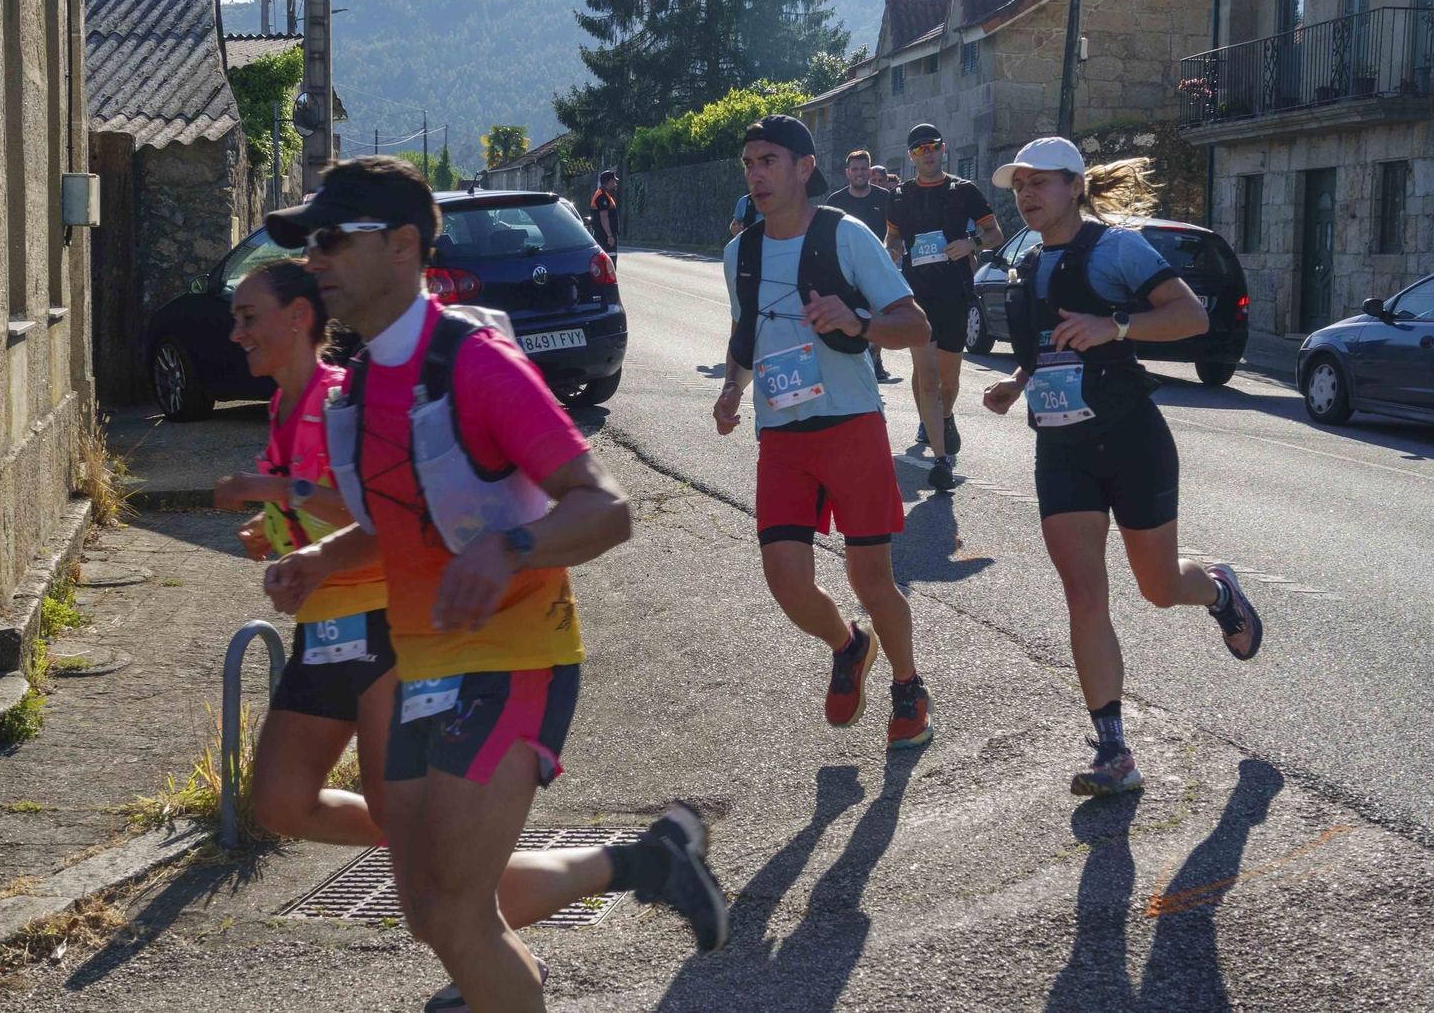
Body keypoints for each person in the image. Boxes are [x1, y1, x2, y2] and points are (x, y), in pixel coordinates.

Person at [261, 157, 727, 1013]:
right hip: (420, 666)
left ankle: (509, 980)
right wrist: (322, 561)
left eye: (331, 241)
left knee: (458, 913)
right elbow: (401, 522)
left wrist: (508, 547)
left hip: (516, 655)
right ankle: (629, 879)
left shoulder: (478, 367)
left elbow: (606, 509)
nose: (314, 260)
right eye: (308, 244)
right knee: (428, 909)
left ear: (403, 246)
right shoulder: (360, 385)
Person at [981, 138, 1264, 796]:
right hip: (1061, 448)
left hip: (1130, 437)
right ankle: (1114, 751)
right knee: (1084, 594)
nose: (1025, 196)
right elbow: (1054, 343)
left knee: (1159, 587)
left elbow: (1190, 316)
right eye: (1018, 185)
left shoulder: (1116, 249)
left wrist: (1117, 326)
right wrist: (1016, 384)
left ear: (1074, 186)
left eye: (1039, 183)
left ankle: (1219, 591)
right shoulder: (1027, 262)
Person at [711, 116, 935, 751]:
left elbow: (914, 326)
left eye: (770, 161)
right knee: (785, 580)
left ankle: (907, 685)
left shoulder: (847, 235)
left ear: (805, 168)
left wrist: (860, 322)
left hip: (850, 426)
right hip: (780, 433)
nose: (756, 174)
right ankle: (849, 644)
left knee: (872, 579)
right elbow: (743, 336)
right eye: (750, 163)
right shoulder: (740, 253)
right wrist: (732, 388)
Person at [213, 258, 396, 849]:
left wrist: (273, 490)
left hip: (384, 624)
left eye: (248, 317)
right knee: (280, 803)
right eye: (235, 318)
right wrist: (271, 528)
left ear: (297, 318)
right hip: (320, 631)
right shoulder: (279, 407)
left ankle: (457, 861)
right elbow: (311, 504)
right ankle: (440, 846)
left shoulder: (341, 401)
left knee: (399, 809)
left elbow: (381, 516)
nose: (236, 333)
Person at [883, 123, 1004, 490]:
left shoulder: (963, 190)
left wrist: (971, 243)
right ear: (911, 157)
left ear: (943, 149)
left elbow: (995, 233)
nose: (928, 154)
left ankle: (943, 416)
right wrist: (890, 253)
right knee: (929, 375)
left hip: (954, 293)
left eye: (933, 147)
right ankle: (941, 458)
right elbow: (893, 237)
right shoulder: (900, 196)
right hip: (916, 296)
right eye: (920, 150)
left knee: (947, 380)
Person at [826, 150, 895, 382]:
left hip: (877, 267)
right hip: (844, 271)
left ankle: (874, 359)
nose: (859, 173)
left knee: (877, 317)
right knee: (850, 317)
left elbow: (896, 231)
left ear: (869, 171)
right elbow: (827, 237)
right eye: (854, 169)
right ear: (847, 173)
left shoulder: (885, 198)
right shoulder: (835, 201)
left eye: (863, 169)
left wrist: (891, 251)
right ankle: (850, 362)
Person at [590, 169, 619, 257]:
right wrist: (609, 236)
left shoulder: (605, 194)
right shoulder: (602, 196)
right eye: (613, 180)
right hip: (604, 237)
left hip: (604, 235)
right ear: (609, 181)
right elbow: (604, 217)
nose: (615, 182)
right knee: (609, 261)